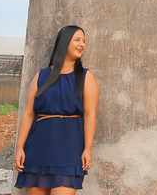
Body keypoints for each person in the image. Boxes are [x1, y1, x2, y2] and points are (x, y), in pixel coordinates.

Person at [15, 25, 100, 194]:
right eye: (77, 40)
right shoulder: (41, 76)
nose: (82, 44)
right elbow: (28, 114)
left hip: (69, 148)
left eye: (84, 41)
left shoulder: (85, 77)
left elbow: (90, 115)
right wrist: (19, 148)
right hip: (38, 147)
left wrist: (88, 148)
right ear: (64, 42)